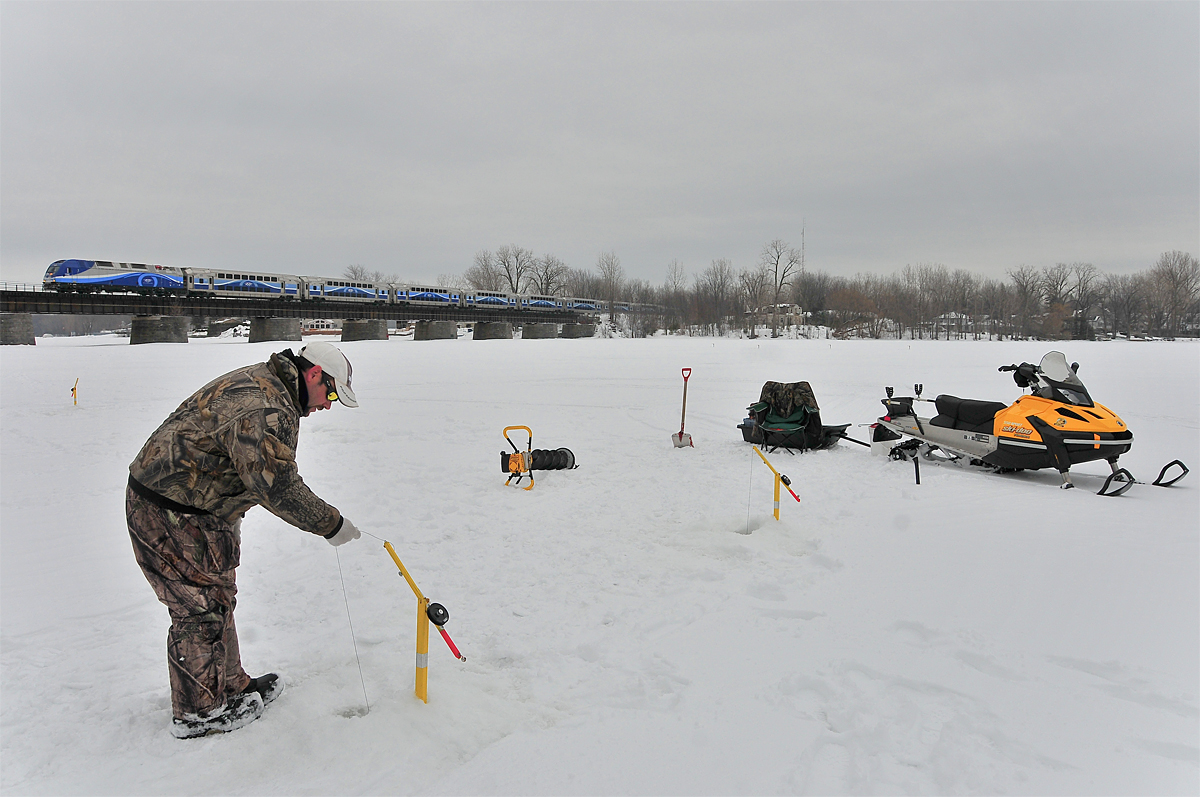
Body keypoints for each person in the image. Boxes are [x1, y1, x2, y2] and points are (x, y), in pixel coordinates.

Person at [126, 341, 362, 739]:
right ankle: (199, 713)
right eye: (332, 393)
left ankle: (230, 686)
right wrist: (330, 524)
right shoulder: (266, 406)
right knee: (198, 609)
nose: (329, 405)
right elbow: (278, 487)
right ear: (314, 374)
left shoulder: (273, 387)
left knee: (217, 597)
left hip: (199, 509)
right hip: (169, 509)